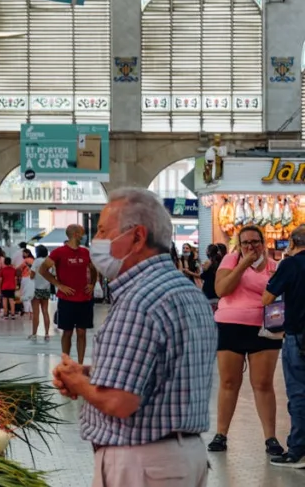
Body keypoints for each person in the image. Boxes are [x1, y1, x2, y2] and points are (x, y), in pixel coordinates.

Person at [52, 188, 215, 487]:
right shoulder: (187, 292)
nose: (96, 240)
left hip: (142, 464)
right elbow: (164, 372)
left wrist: (78, 383)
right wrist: (92, 373)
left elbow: (120, 401)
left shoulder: (140, 300)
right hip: (182, 456)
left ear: (138, 237)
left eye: (102, 230)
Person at [208, 225, 283, 456]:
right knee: (229, 383)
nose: (251, 246)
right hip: (231, 325)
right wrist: (242, 263)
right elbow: (221, 290)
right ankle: (221, 434)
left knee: (263, 384)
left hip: (265, 328)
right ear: (239, 245)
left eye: (255, 242)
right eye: (245, 243)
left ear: (264, 243)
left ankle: (270, 438)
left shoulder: (274, 266)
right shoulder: (230, 261)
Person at [263, 225, 305, 468]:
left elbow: (268, 298)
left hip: (298, 336)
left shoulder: (290, 264)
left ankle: (298, 450)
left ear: (292, 243)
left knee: (299, 393)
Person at [40, 224, 98, 364]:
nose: (83, 236)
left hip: (84, 299)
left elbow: (94, 268)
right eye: (82, 233)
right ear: (75, 234)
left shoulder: (86, 252)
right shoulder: (58, 252)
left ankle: (80, 363)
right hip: (67, 299)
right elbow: (43, 270)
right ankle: (66, 361)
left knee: (82, 332)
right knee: (67, 332)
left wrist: (92, 284)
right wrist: (59, 285)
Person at [30, 245, 52, 341]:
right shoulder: (48, 262)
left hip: (36, 289)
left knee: (36, 313)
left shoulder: (36, 261)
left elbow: (32, 275)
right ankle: (47, 334)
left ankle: (34, 334)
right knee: (45, 311)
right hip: (46, 289)